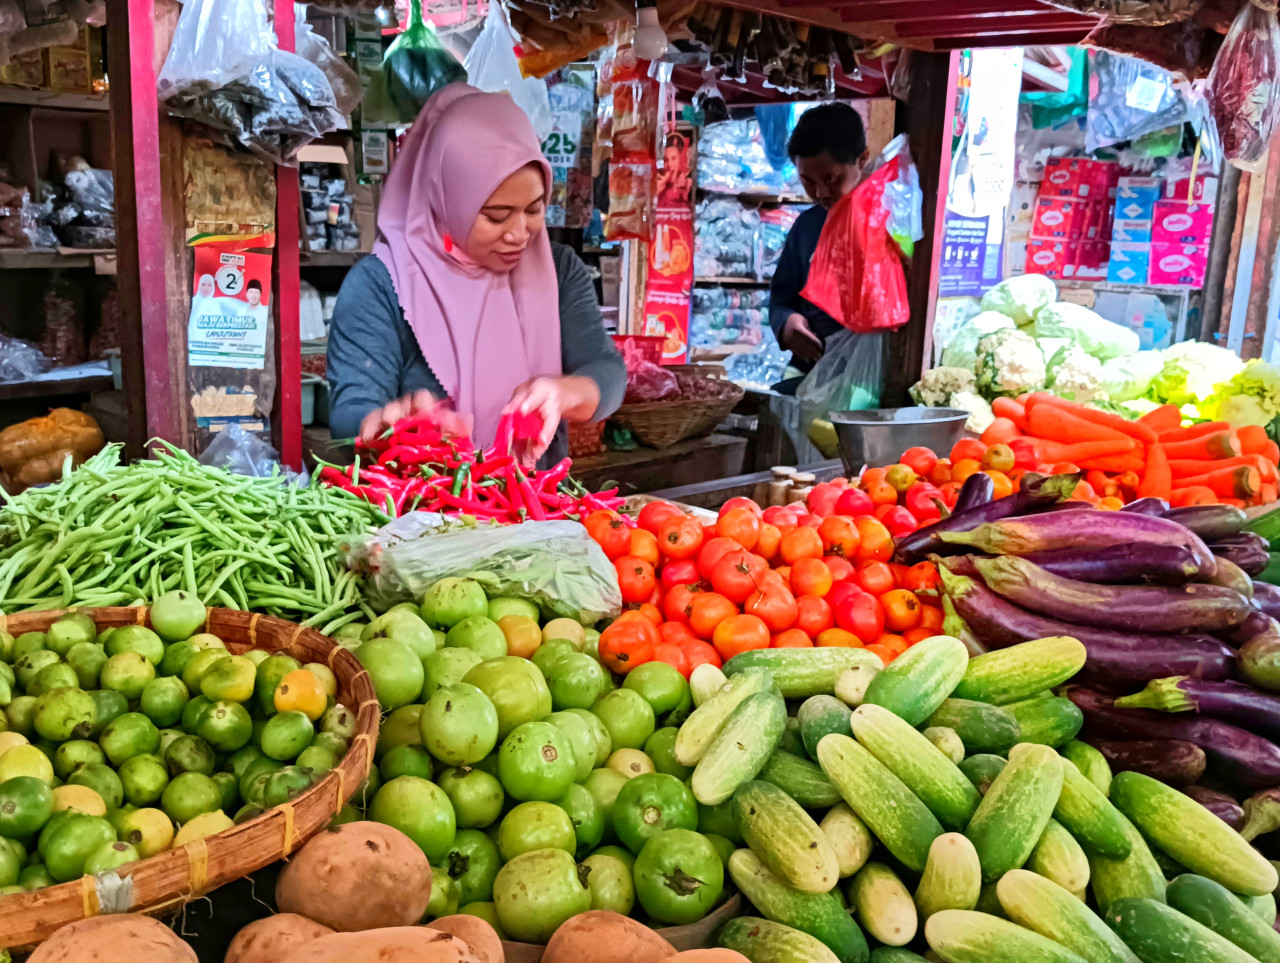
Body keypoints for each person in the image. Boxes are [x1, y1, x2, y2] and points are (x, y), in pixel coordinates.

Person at [327, 84, 625, 465]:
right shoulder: (382, 285)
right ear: (447, 199)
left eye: (534, 210)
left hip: (535, 514)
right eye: (496, 216)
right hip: (420, 515)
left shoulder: (558, 270)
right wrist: (386, 422)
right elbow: (349, 413)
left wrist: (565, 392)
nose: (520, 233)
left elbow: (607, 372)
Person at [769, 103, 877, 388]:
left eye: (831, 179)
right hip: (809, 372)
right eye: (807, 181)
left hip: (865, 378)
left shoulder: (887, 224)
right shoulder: (806, 227)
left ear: (862, 160)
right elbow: (781, 298)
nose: (819, 193)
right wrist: (787, 324)